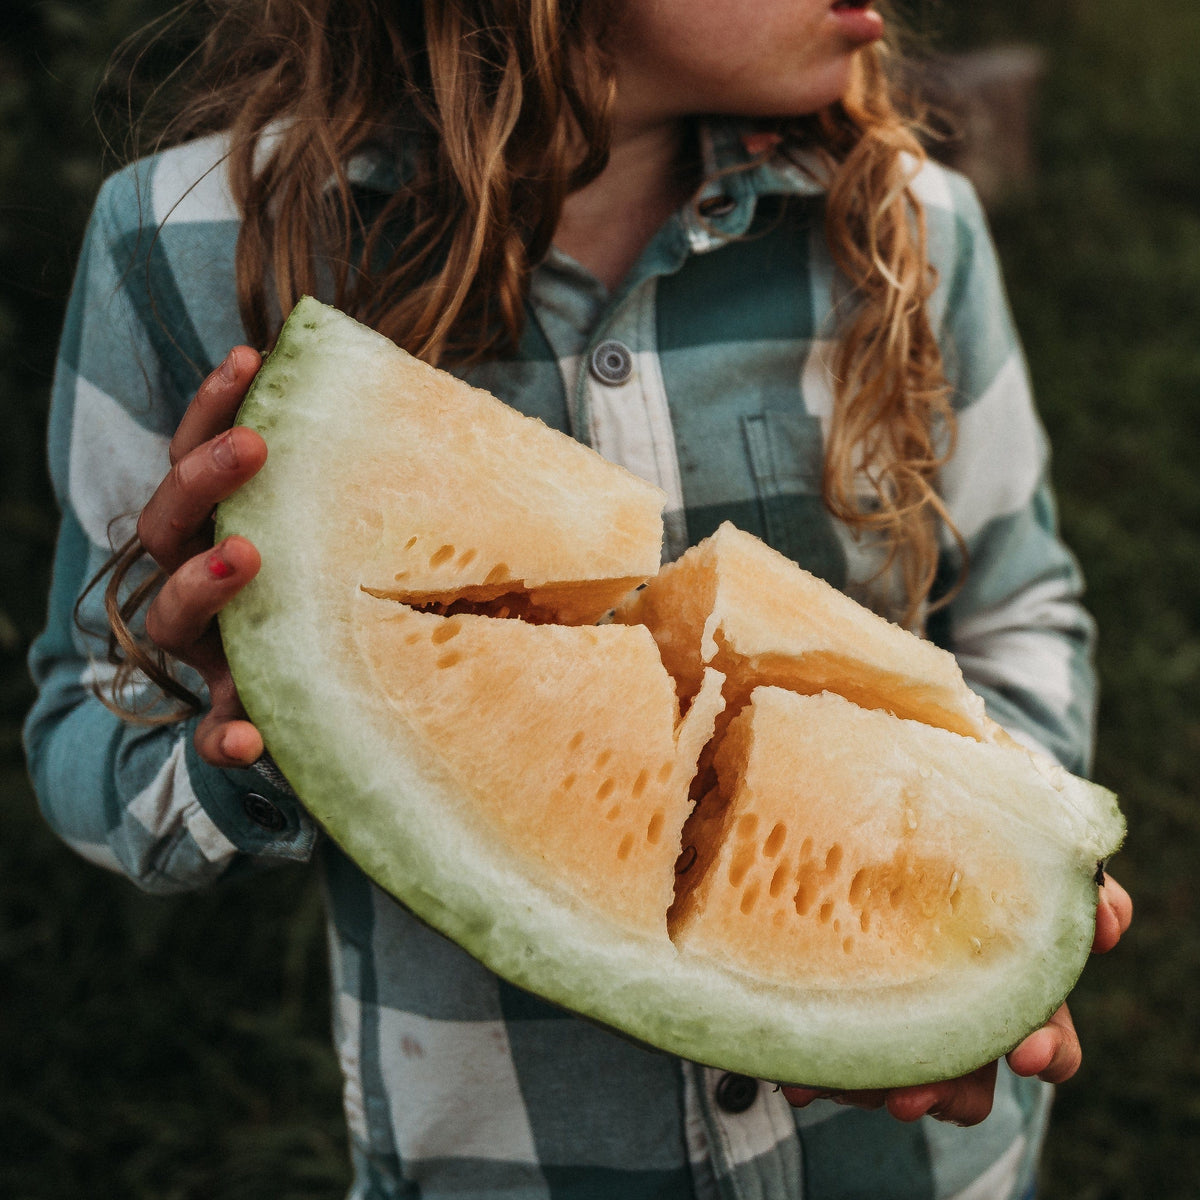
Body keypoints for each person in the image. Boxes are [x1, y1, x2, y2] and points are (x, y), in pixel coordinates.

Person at [25, 0, 1132, 1196]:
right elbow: (86, 726)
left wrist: (978, 913)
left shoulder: (916, 226)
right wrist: (262, 731)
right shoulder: (184, 243)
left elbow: (1022, 613)